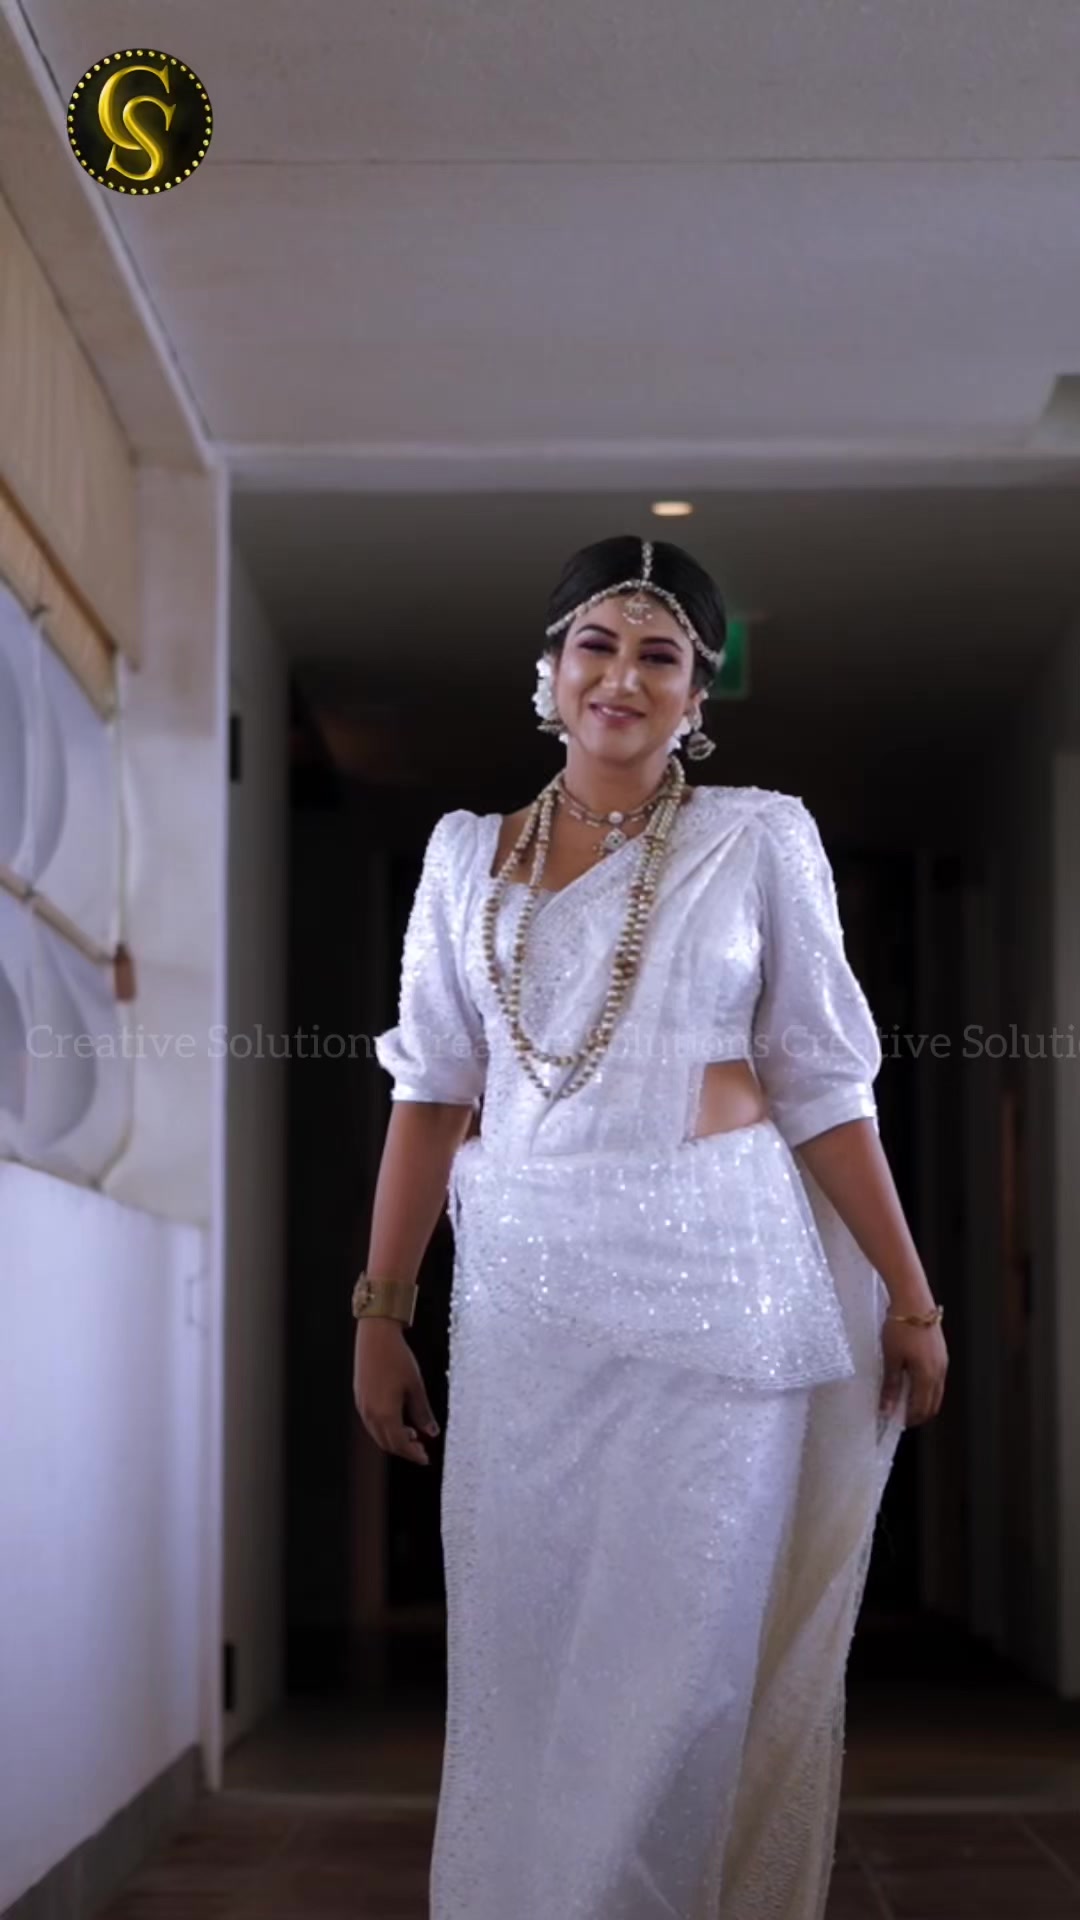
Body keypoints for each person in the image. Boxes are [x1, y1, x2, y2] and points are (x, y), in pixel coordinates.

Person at [353, 534, 948, 1920]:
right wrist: (383, 1310)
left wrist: (912, 1298)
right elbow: (432, 1091)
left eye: (661, 655)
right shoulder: (463, 857)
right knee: (531, 1659)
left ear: (699, 693)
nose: (623, 676)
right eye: (598, 645)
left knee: (683, 1672)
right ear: (550, 672)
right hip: (525, 1304)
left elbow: (823, 1084)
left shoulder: (759, 837)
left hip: (721, 1292)